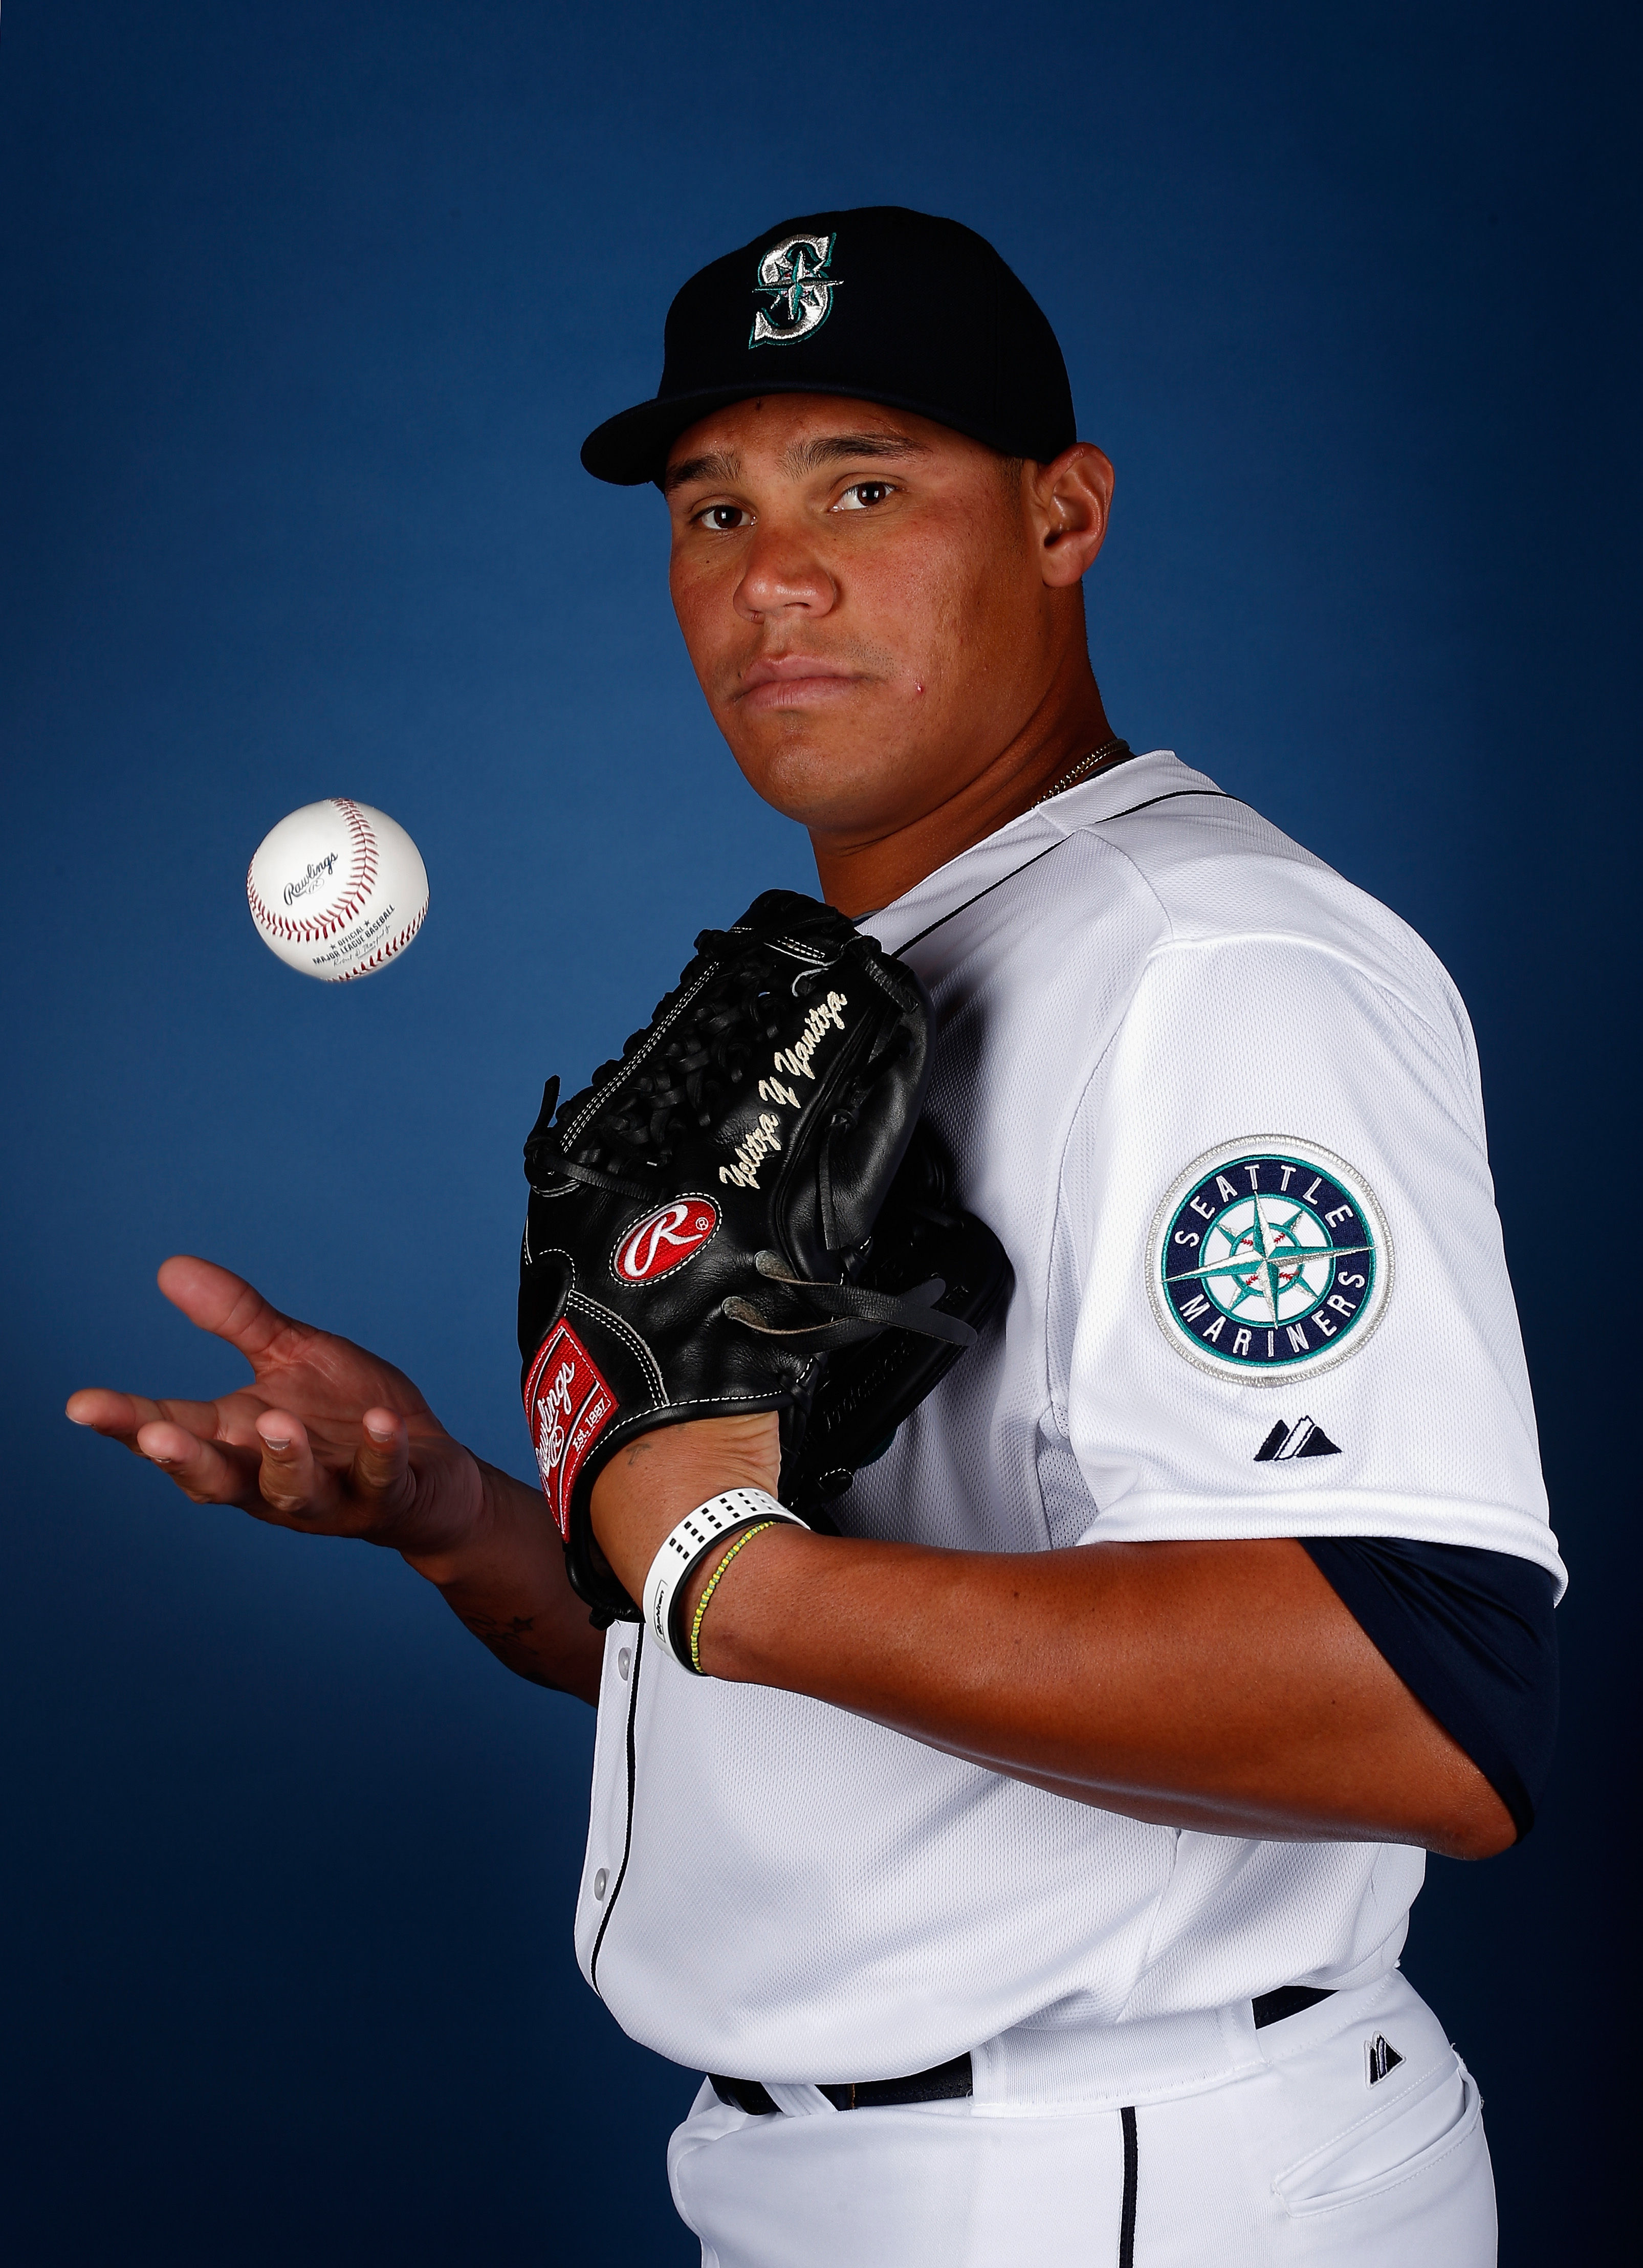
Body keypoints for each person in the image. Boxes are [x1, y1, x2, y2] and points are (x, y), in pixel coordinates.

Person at [68, 208, 1562, 2265]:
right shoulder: (877, 972)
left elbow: (1425, 1702)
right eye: (710, 507)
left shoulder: (1206, 964)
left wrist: (710, 1561)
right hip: (864, 2174)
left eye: (863, 485)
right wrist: (473, 1521)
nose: (771, 577)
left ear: (1061, 515)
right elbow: (811, 1689)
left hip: (1130, 2175)